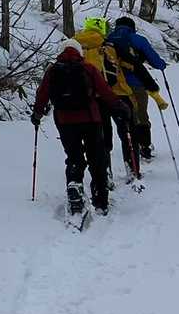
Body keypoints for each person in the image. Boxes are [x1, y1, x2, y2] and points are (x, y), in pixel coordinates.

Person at [31, 38, 129, 216]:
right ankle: (100, 198)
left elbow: (42, 94)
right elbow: (105, 91)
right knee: (96, 157)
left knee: (74, 156)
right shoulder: (88, 68)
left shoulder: (52, 71)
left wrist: (37, 114)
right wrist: (119, 106)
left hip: (64, 121)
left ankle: (74, 186)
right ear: (79, 52)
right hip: (90, 119)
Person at [74, 17, 138, 184]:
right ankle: (133, 169)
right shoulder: (109, 45)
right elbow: (131, 64)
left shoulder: (76, 46)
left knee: (102, 137)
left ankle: (106, 173)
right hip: (117, 94)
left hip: (92, 98)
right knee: (127, 132)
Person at [106, 16, 169, 161]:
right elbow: (155, 60)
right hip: (136, 83)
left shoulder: (108, 39)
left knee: (125, 117)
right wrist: (162, 65)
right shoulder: (137, 39)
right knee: (141, 115)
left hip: (115, 85)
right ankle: (144, 147)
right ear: (132, 27)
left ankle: (130, 147)